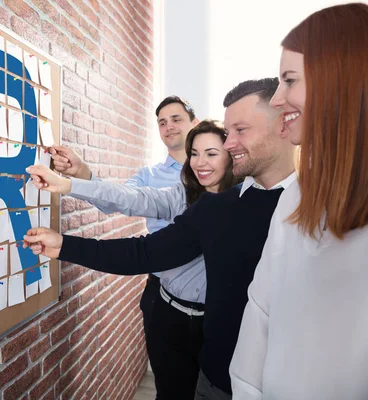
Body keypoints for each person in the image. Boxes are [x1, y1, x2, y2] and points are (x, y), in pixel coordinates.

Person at [24, 78, 296, 400]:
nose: (221, 149)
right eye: (197, 153)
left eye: (216, 148)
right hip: (202, 351)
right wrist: (72, 198)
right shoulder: (206, 204)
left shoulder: (319, 203)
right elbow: (133, 214)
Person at [29, 120, 240, 399]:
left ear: (231, 155)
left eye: (211, 153)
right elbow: (130, 197)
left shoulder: (244, 204)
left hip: (216, 324)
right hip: (171, 314)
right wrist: (69, 184)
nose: (200, 162)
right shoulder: (182, 195)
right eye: (195, 153)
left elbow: (143, 254)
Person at [229, 4, 368, 399]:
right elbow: (260, 316)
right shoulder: (296, 197)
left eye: (289, 80)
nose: (277, 99)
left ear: (342, 78)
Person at [48, 96, 200, 399]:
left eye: (176, 119)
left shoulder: (218, 174)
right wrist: (81, 174)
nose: (168, 126)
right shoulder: (151, 177)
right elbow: (119, 197)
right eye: (162, 122)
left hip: (212, 304)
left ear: (194, 123)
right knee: (169, 387)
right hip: (162, 292)